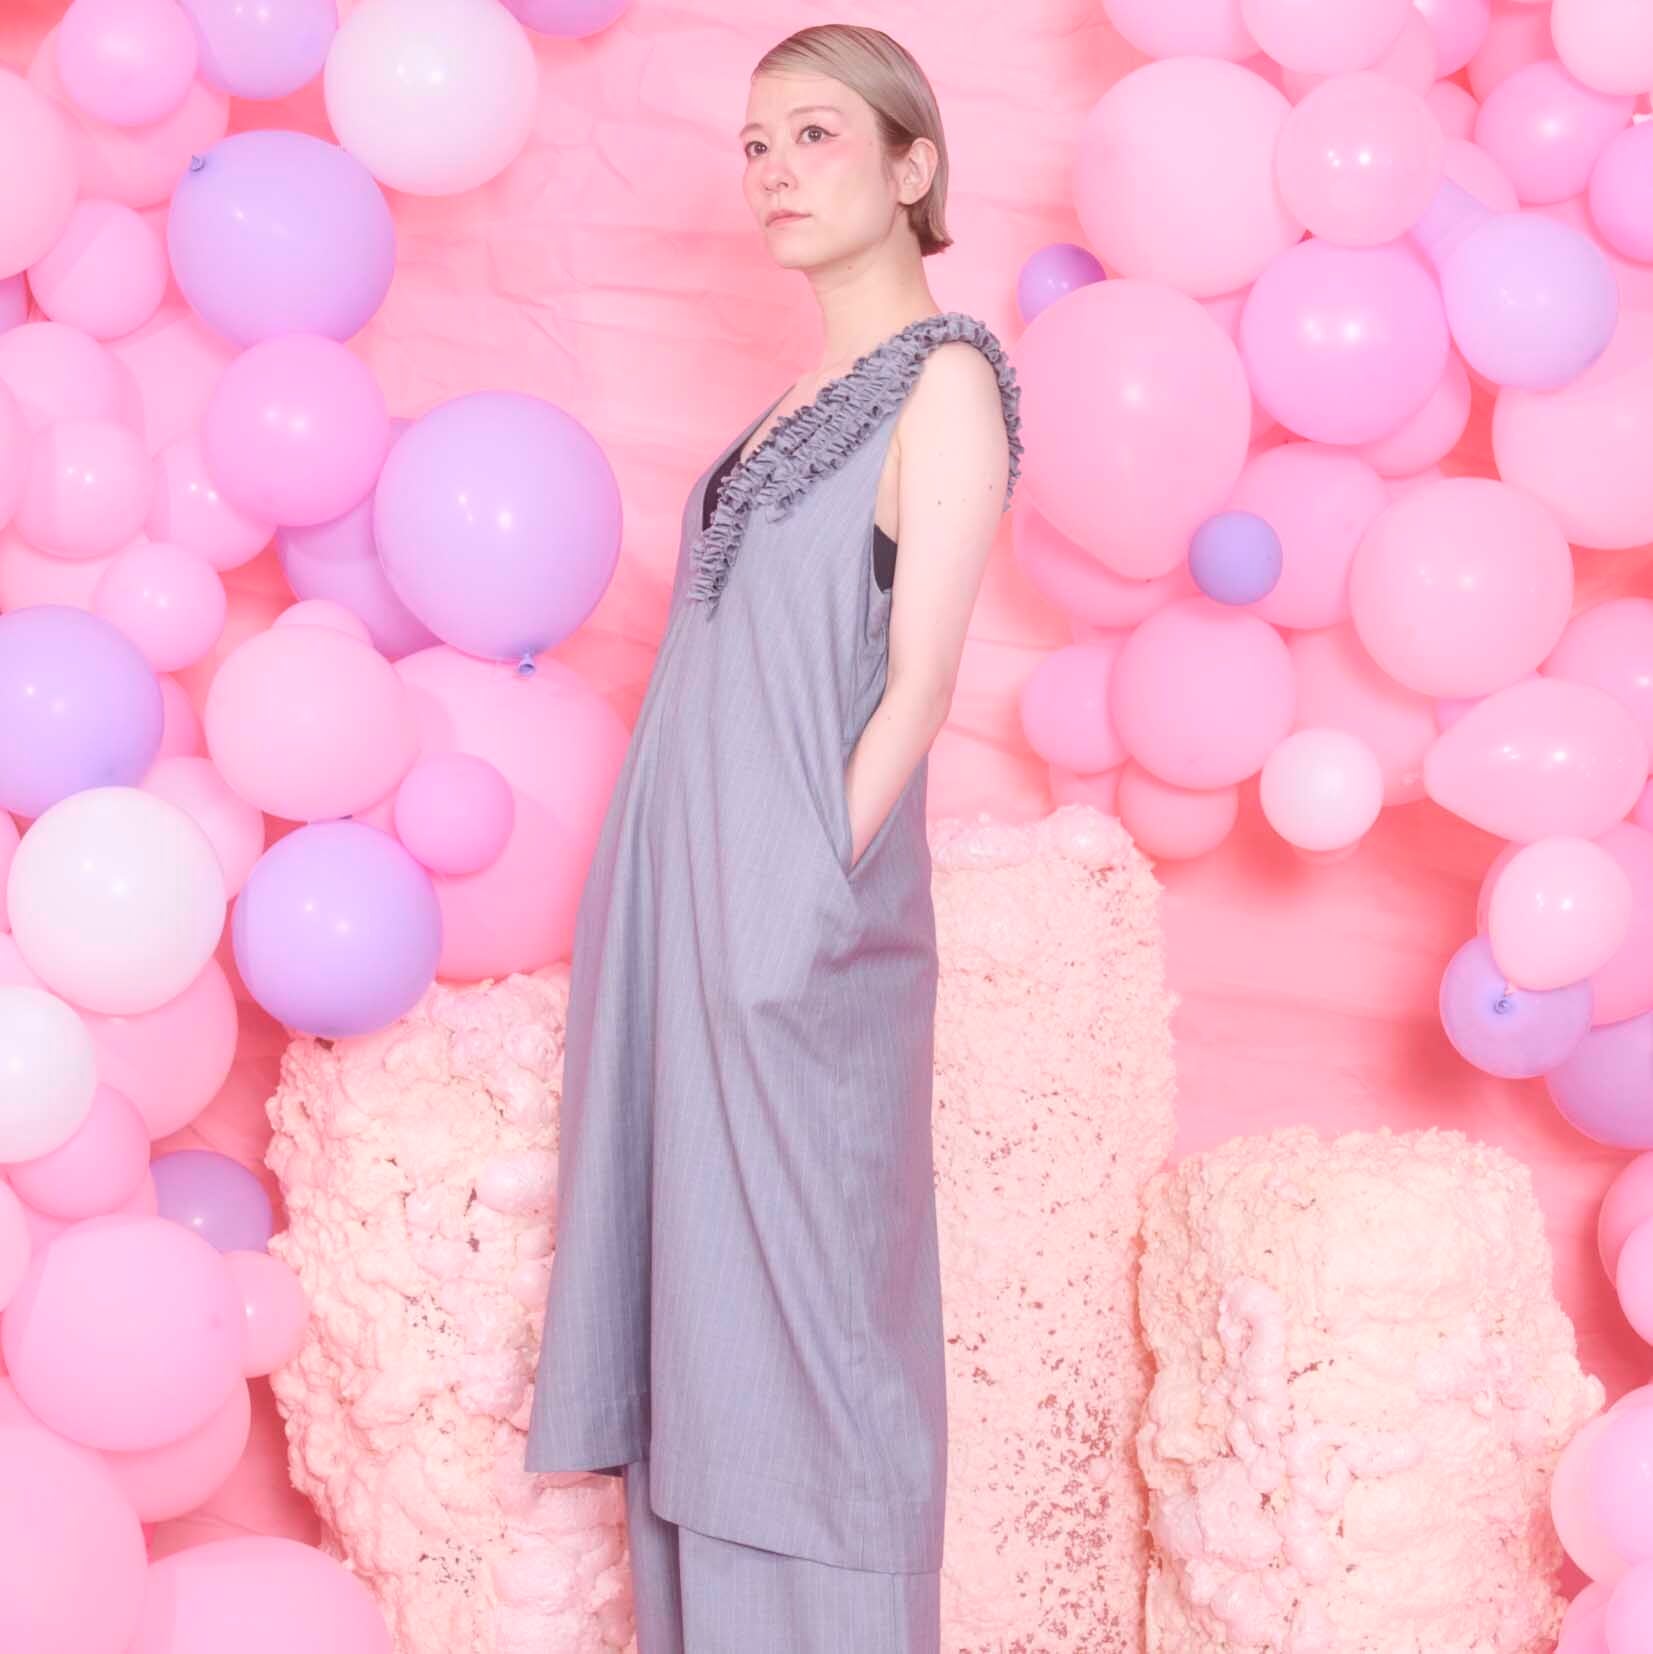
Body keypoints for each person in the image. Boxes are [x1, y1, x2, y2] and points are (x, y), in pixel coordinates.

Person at [525, 22, 1023, 1652]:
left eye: (814, 136)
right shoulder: (787, 401)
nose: (772, 174)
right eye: (754, 145)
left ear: (911, 163)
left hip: (795, 940)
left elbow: (921, 682)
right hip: (684, 921)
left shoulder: (946, 381)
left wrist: (793, 906)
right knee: (702, 1318)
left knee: (813, 1338)